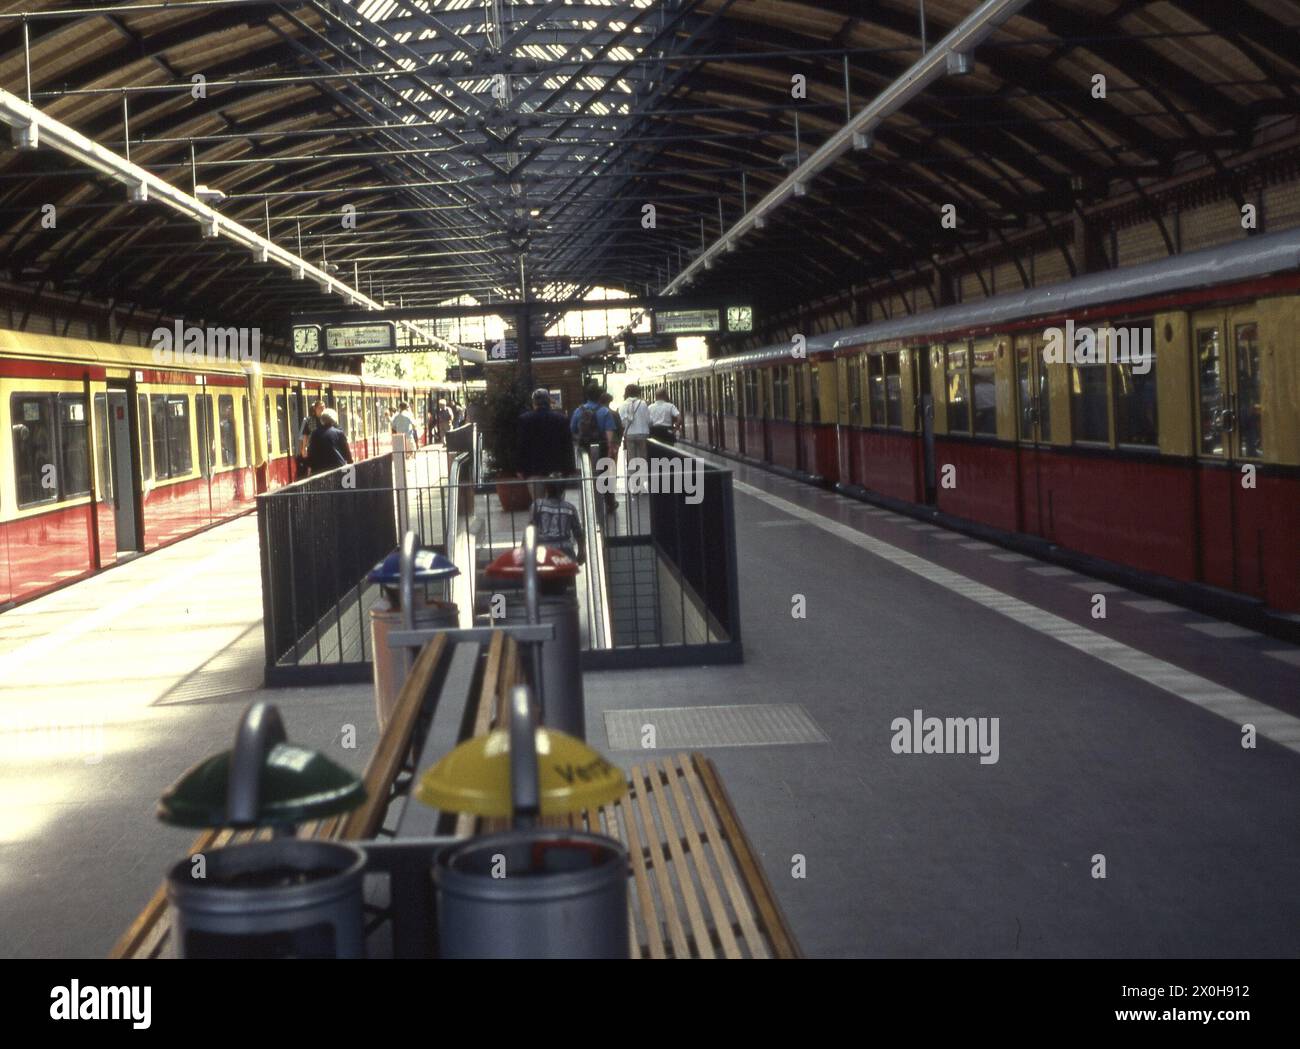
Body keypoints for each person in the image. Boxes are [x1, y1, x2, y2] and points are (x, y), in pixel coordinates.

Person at [518, 388, 575, 501]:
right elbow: (567, 446)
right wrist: (569, 468)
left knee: (538, 503)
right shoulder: (561, 419)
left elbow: (522, 445)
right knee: (557, 504)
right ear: (549, 402)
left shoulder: (524, 420)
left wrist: (520, 468)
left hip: (534, 470)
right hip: (557, 469)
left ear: (534, 403)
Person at [570, 383, 618, 512]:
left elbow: (572, 429)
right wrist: (610, 448)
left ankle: (589, 503)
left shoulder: (579, 411)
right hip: (601, 447)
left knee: (587, 474)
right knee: (605, 475)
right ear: (600, 396)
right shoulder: (605, 411)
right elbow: (609, 431)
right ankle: (609, 503)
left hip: (584, 449)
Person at [530, 481, 585, 564]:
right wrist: (581, 552)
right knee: (568, 570)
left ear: (546, 490)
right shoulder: (570, 508)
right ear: (562, 491)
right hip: (564, 550)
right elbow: (578, 533)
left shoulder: (537, 506)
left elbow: (530, 529)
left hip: (543, 550)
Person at [306, 408, 353, 475]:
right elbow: (347, 453)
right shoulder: (339, 433)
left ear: (322, 420)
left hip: (319, 469)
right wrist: (351, 463)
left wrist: (310, 467)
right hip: (337, 467)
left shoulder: (314, 434)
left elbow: (311, 452)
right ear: (333, 419)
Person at [619, 383, 651, 469]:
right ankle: (642, 472)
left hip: (630, 434)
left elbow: (622, 422)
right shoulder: (643, 403)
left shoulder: (623, 405)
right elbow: (648, 420)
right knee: (642, 457)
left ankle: (633, 473)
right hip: (642, 433)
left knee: (631, 457)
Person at [297, 399, 325, 479]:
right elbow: (305, 435)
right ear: (315, 409)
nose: (322, 410)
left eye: (323, 408)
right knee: (311, 466)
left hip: (324, 446)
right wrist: (304, 448)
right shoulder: (309, 420)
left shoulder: (326, 419)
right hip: (312, 447)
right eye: (320, 408)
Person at [600, 391, 623, 466]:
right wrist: (619, 441)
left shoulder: (598, 412)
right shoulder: (614, 413)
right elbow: (620, 428)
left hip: (601, 440)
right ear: (609, 401)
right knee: (613, 462)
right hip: (614, 440)